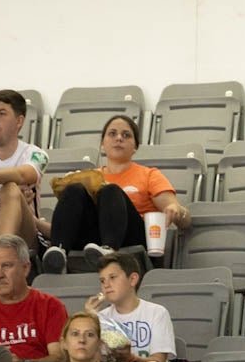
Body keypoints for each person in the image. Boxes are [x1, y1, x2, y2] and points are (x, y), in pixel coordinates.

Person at [42, 115, 191, 273]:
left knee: (110, 190)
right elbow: (66, 225)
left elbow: (181, 216)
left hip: (134, 239)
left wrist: (176, 210)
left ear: (135, 147)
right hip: (92, 241)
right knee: (73, 188)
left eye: (126, 135)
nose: (119, 138)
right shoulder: (90, 177)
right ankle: (58, 253)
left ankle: (109, 249)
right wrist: (34, 221)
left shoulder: (149, 175)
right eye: (112, 134)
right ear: (102, 144)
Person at [0, 91, 48, 247]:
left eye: (1, 114)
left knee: (10, 188)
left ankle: (3, 251)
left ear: (19, 121)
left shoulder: (36, 154)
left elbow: (24, 174)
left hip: (25, 233)